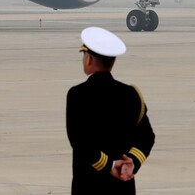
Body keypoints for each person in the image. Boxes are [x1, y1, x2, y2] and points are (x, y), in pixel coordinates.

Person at [66, 27, 155, 194]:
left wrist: (110, 166)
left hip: (88, 186)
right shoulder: (131, 94)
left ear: (89, 60)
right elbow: (146, 137)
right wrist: (131, 163)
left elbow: (80, 142)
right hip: (123, 186)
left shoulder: (77, 95)